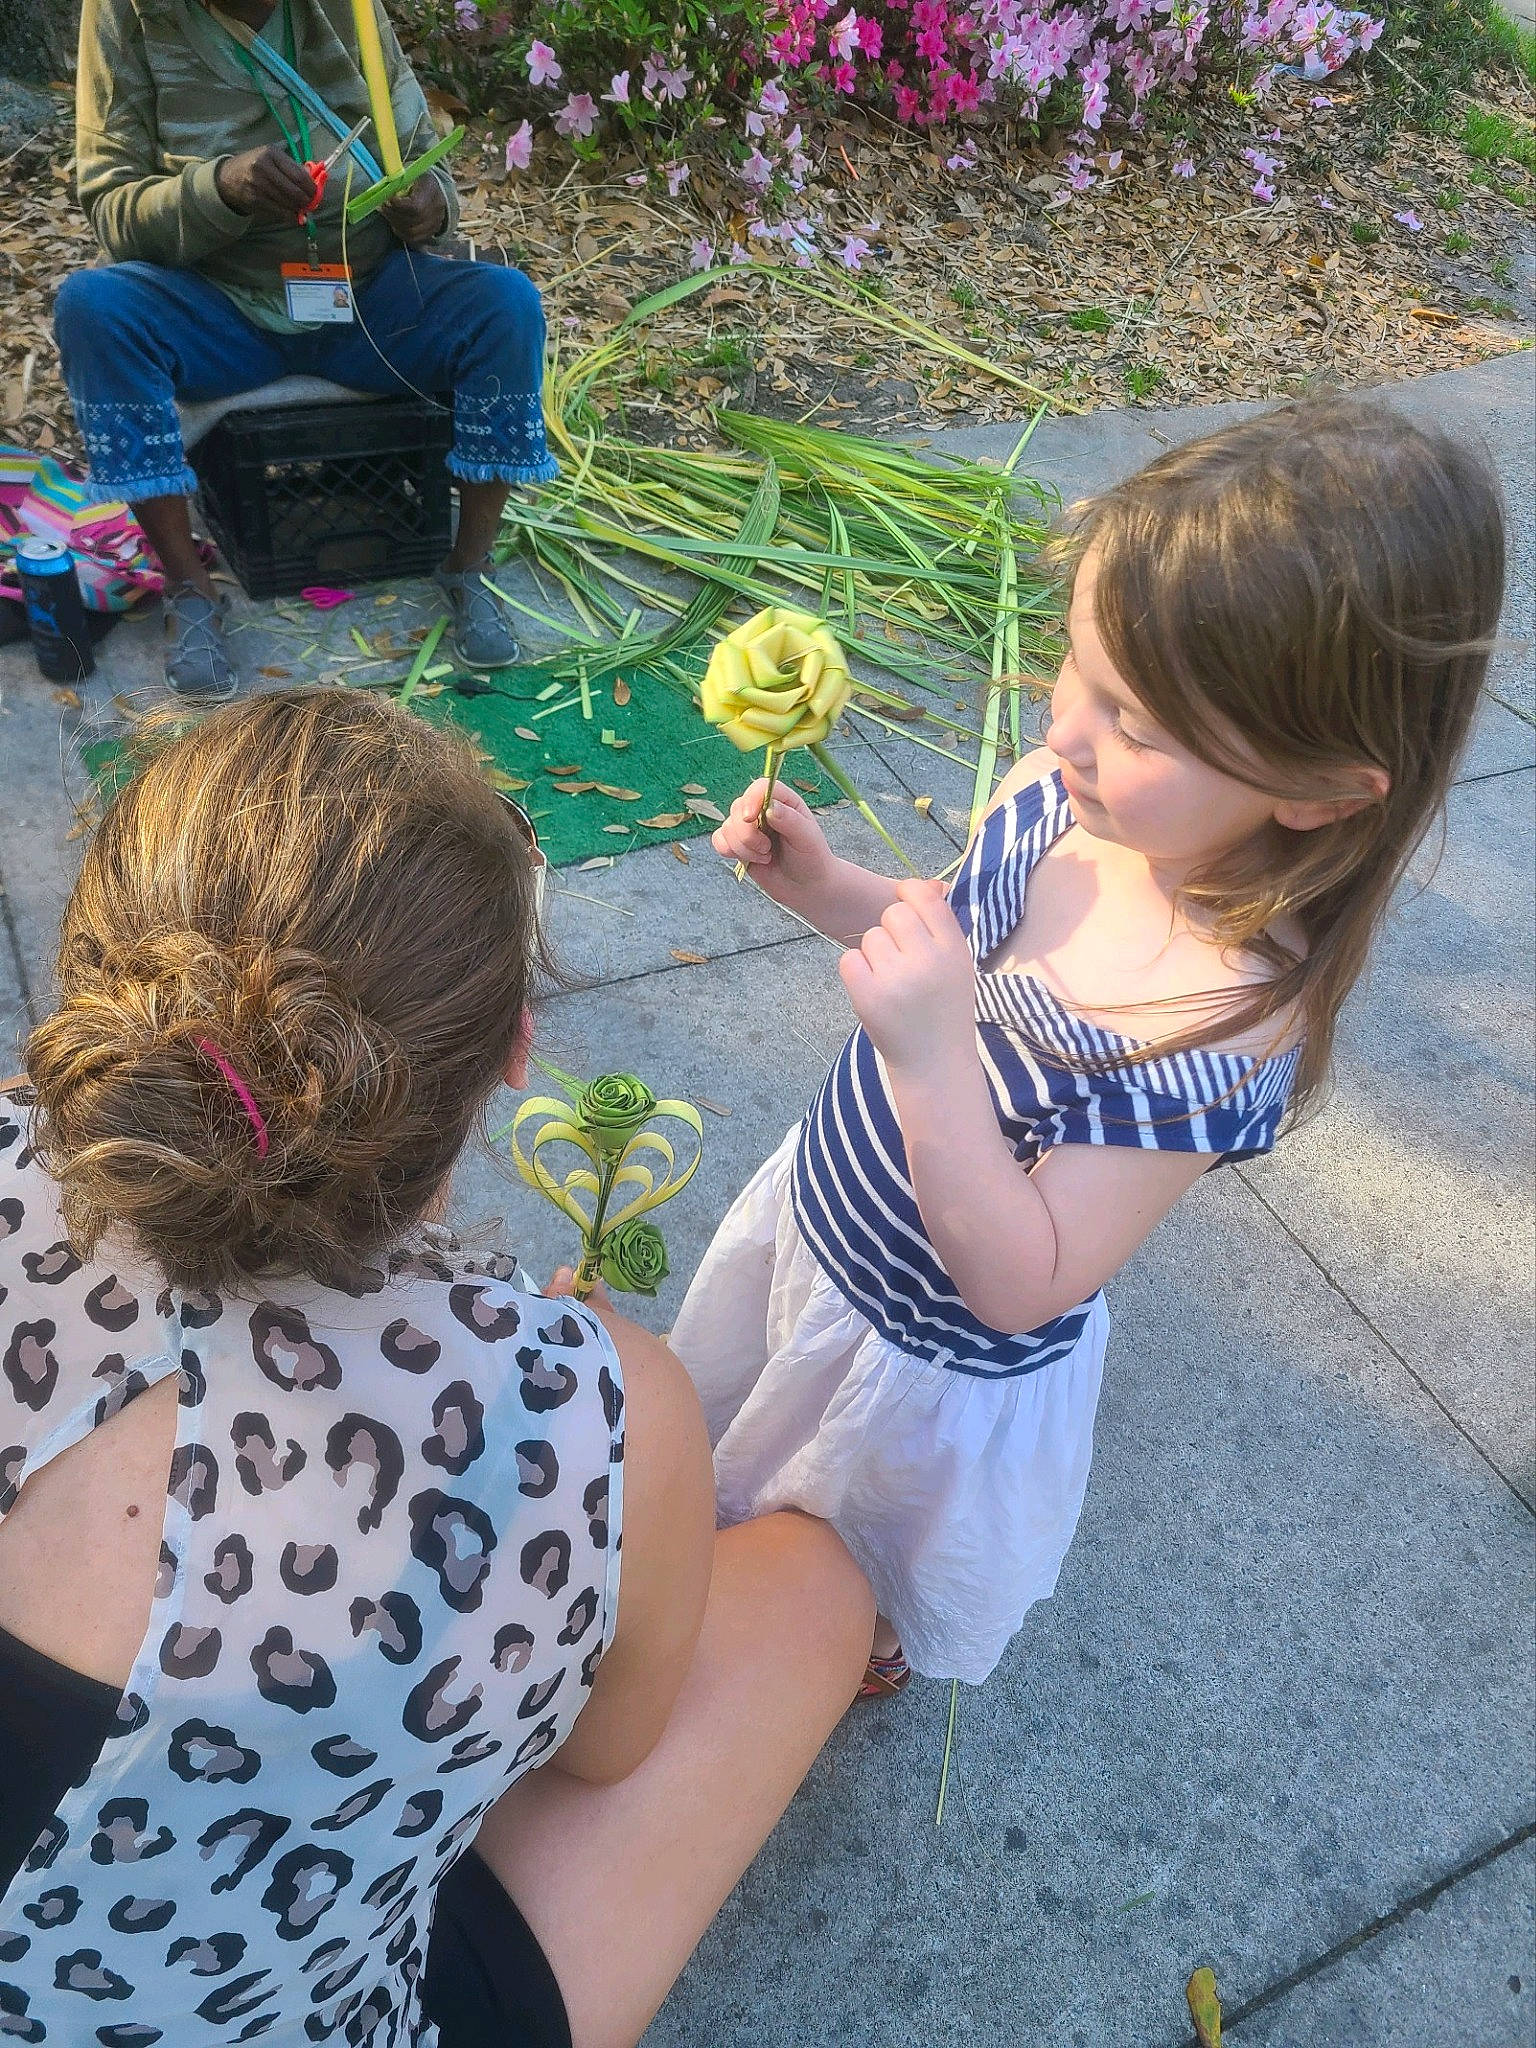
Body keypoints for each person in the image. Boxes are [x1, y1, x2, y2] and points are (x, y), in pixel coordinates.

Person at [0, 689, 874, 2048]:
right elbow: (608, 1752)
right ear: (513, 1056)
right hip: (274, 2010)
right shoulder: (591, 1409)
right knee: (816, 1589)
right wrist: (548, 1422)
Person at [674, 398, 1505, 1699]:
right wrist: (826, 886)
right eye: (1077, 667)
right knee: (741, 1439)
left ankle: (860, 1637)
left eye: (1137, 723)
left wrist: (936, 1056)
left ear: (1319, 789)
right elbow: (942, 930)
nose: (1068, 729)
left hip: (921, 1357)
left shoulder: (1221, 1032)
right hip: (824, 1229)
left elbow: (1027, 1278)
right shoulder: (1061, 796)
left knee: (846, 1536)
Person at [55, 0, 555, 699]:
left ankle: (469, 565)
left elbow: (423, 162)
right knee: (93, 309)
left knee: (506, 305)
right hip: (220, 309)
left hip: (366, 305)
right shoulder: (128, 14)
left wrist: (430, 206)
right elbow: (112, 210)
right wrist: (218, 189)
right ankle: (191, 590)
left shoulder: (351, 10)